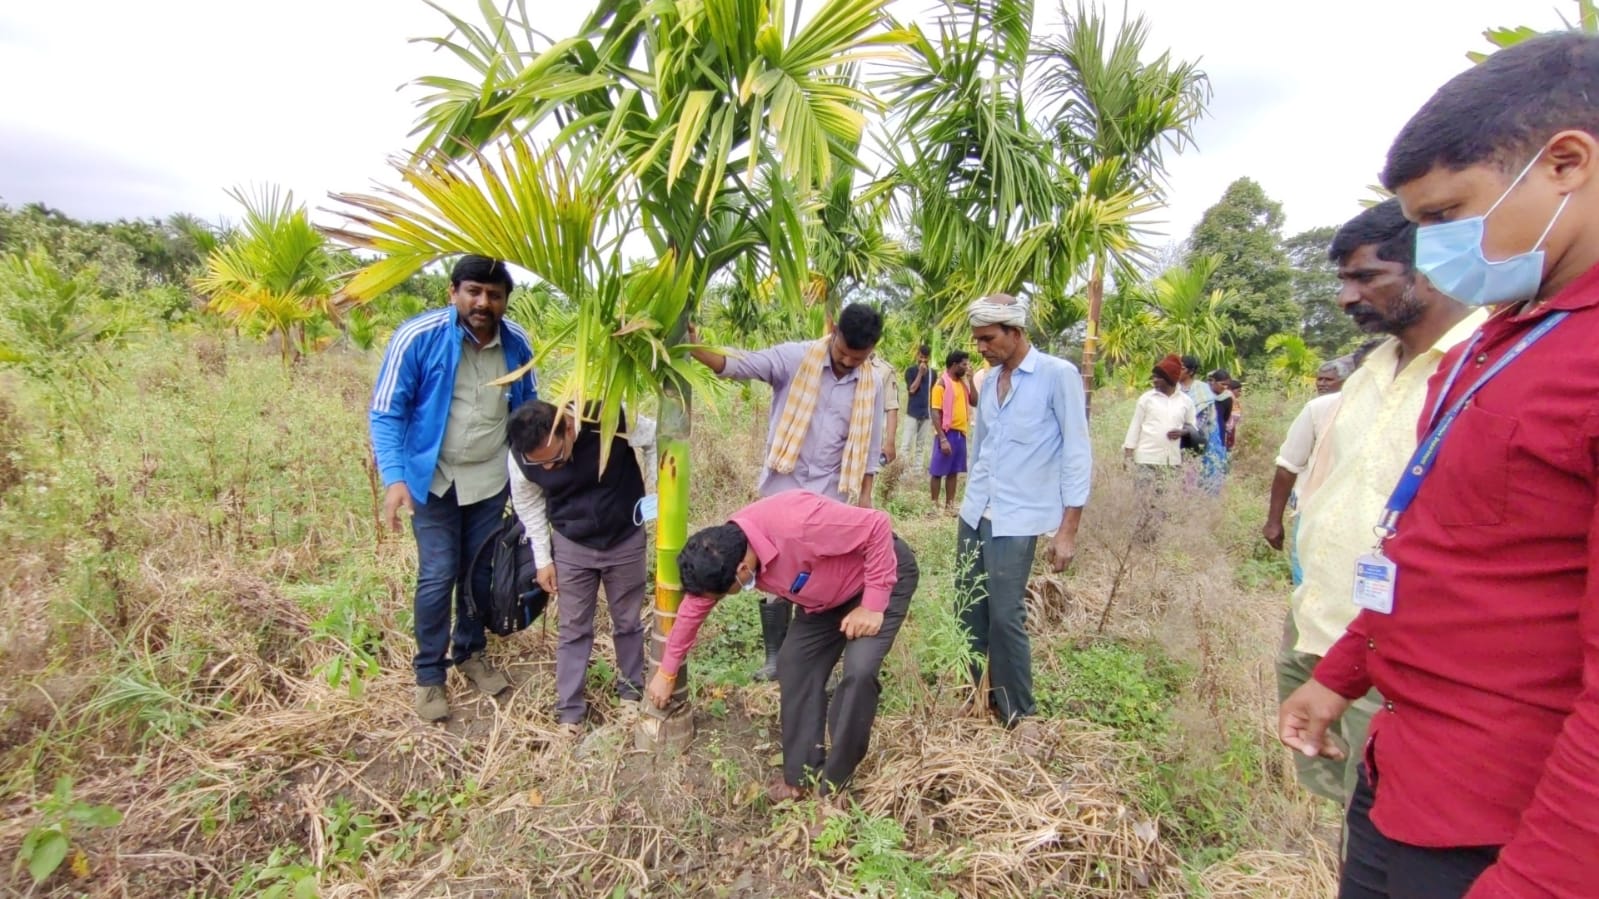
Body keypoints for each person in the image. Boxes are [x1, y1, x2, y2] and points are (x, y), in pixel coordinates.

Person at [1282, 35, 1599, 898]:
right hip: (1401, 779)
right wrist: (1343, 672)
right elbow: (1437, 559)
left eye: (1444, 215)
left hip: (1503, 829)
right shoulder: (1499, 340)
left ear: (1563, 162)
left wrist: (1536, 879)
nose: (1430, 251)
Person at [1276, 201, 1482, 817]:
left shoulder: (1479, 366)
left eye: (1367, 278)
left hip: (1400, 649)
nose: (1346, 298)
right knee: (1345, 807)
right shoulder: (1370, 371)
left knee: (1387, 808)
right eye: (1343, 280)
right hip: (1322, 623)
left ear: (1431, 270)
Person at [644, 490, 918, 801]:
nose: (716, 600)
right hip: (822, 599)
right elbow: (694, 609)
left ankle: (833, 788)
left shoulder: (800, 523)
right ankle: (800, 776)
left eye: (722, 595)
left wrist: (872, 605)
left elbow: (877, 525)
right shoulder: (721, 553)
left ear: (742, 572)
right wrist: (666, 672)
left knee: (859, 671)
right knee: (794, 664)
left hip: (877, 575)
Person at [369, 255, 539, 722]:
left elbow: (528, 413)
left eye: (494, 295)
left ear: (505, 300)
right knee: (438, 573)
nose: (483, 302)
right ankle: (428, 676)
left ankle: (471, 652)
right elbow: (387, 412)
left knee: (478, 571)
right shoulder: (418, 338)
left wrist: (535, 479)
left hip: (489, 480)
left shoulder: (517, 344)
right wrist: (396, 479)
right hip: (434, 480)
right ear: (453, 292)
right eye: (473, 292)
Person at [686, 303, 887, 682]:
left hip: (831, 493)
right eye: (842, 351)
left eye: (857, 358)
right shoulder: (795, 359)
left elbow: (871, 445)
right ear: (833, 329)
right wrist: (696, 349)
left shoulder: (870, 383)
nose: (847, 361)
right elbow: (740, 365)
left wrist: (864, 498)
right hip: (784, 490)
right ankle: (775, 656)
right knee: (775, 576)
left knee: (819, 579)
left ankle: (810, 658)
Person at [957, 293, 1091, 728]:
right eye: (977, 340)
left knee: (1005, 614)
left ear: (1015, 333)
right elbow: (981, 451)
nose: (981, 347)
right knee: (969, 608)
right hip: (977, 511)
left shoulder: (1057, 375)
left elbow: (1076, 452)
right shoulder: (989, 381)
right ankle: (978, 698)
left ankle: (1020, 713)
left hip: (1017, 518)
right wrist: (966, 504)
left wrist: (1067, 530)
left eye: (988, 338)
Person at [507, 401, 655, 736]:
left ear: (569, 429)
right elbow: (528, 501)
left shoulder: (609, 417)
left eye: (556, 459)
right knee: (573, 628)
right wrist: (543, 559)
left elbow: (654, 437)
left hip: (624, 534)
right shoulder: (519, 455)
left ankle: (631, 694)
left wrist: (656, 500)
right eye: (538, 464)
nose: (549, 471)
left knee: (628, 621)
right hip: (572, 541)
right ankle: (570, 713)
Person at [1263, 356, 1352, 587]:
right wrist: (1274, 520)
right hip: (1313, 506)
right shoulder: (1318, 408)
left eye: (1329, 380)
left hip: (1353, 511)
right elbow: (1288, 465)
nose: (1321, 384)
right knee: (1308, 579)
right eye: (1319, 379)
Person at [1122, 353, 1197, 476]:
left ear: (1170, 379)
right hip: (1145, 460)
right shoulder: (1146, 399)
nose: (1154, 380)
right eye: (1154, 377)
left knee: (1167, 495)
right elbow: (1134, 427)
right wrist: (1128, 456)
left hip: (1171, 462)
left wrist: (1183, 432)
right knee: (1144, 495)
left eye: (1158, 377)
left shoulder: (1186, 401)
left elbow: (1192, 427)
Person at [929, 349, 973, 513]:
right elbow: (935, 412)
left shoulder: (962, 384)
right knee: (938, 470)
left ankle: (949, 505)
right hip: (946, 433)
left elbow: (974, 401)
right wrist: (942, 438)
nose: (966, 367)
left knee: (953, 471)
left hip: (960, 434)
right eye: (964, 364)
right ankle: (934, 505)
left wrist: (971, 380)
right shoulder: (941, 384)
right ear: (954, 365)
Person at [1177, 356, 1225, 493]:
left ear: (1191, 371)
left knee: (1200, 476)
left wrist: (1188, 431)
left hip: (1200, 439)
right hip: (1175, 439)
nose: (1178, 371)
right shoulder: (1173, 388)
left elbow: (1204, 418)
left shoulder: (1202, 389)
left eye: (1182, 368)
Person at [902, 344, 932, 467]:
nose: (923, 360)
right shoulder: (910, 371)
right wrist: (920, 374)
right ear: (917, 355)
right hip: (912, 413)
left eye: (925, 358)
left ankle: (917, 471)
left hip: (926, 414)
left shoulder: (932, 374)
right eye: (921, 357)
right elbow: (912, 390)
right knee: (906, 445)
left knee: (920, 446)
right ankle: (901, 471)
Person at [871, 353, 900, 466]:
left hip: (871, 437)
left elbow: (891, 407)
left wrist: (890, 442)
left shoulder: (885, 370)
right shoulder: (847, 361)